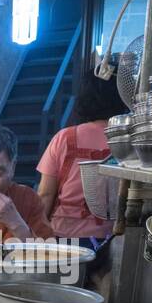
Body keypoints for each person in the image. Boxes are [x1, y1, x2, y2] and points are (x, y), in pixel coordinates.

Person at [37, 71, 126, 239]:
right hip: (114, 237)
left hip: (64, 235)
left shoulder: (65, 138)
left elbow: (45, 194)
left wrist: (38, 236)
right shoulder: (128, 140)